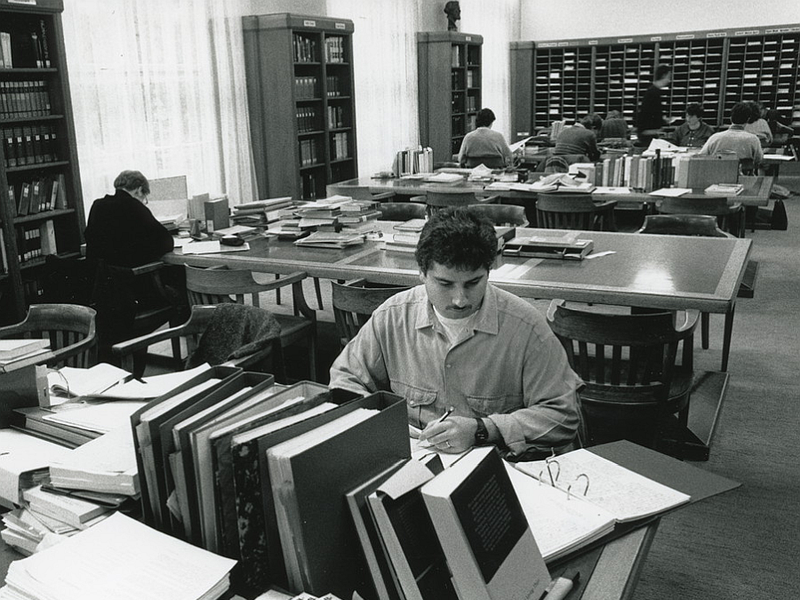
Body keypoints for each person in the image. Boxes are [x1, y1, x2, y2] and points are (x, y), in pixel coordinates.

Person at [329, 208, 582, 459]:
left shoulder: (527, 328)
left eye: (473, 283)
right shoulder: (392, 316)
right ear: (421, 272)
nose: (460, 300)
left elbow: (564, 415)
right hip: (413, 462)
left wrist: (483, 430)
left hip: (496, 466)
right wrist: (382, 428)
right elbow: (345, 380)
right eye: (445, 284)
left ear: (489, 271)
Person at [85, 169, 174, 267]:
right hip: (130, 275)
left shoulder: (97, 205)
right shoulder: (134, 205)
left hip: (101, 276)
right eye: (144, 198)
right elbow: (167, 242)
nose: (143, 202)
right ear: (139, 190)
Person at [698, 102, 763, 166]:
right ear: (748, 120)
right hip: (742, 175)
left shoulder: (714, 138)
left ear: (730, 118)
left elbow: (701, 157)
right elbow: (759, 160)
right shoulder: (753, 139)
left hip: (716, 175)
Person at [635, 64, 672, 146]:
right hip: (648, 134)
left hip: (649, 132)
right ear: (663, 75)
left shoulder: (653, 91)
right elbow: (647, 115)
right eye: (669, 77)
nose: (669, 80)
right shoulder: (653, 92)